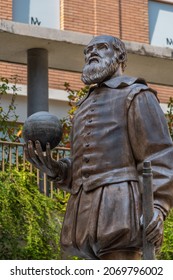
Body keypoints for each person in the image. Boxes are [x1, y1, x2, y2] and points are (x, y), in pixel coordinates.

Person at [24, 35, 173, 260]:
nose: (92, 53)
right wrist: (55, 169)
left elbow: (158, 154)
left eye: (101, 47)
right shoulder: (82, 107)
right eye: (88, 50)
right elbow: (82, 166)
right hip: (83, 213)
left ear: (120, 56)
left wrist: (158, 207)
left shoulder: (136, 94)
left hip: (121, 208)